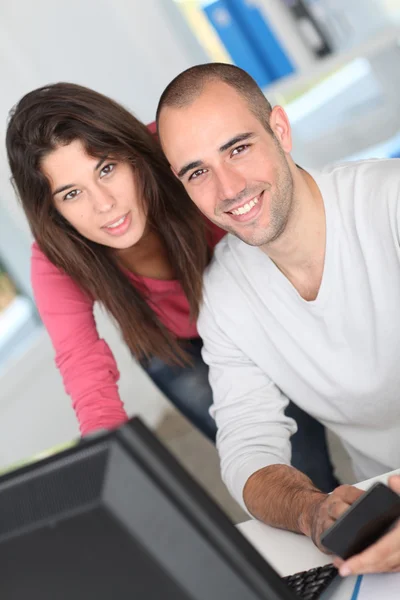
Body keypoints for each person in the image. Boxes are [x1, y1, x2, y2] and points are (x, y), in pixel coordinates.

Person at [156, 62, 400, 576]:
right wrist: (311, 510)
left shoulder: (388, 203)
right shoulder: (223, 298)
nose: (228, 188)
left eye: (238, 148)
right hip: (385, 518)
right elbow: (246, 446)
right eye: (197, 172)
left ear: (281, 131)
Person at [6, 82, 226, 442]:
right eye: (72, 193)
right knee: (284, 465)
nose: (103, 204)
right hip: (171, 344)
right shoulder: (55, 259)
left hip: (254, 299)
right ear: (54, 211)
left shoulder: (179, 152)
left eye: (106, 169)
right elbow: (83, 367)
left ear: (135, 154)